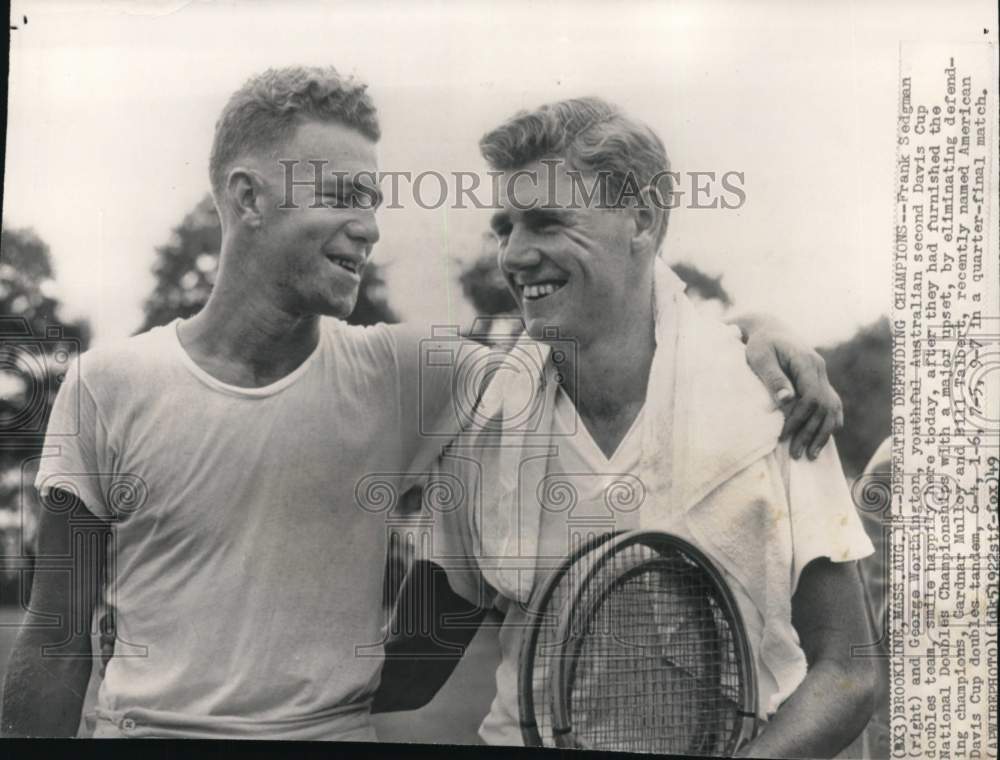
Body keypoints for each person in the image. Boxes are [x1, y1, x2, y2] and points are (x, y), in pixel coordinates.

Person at [1, 67, 844, 740]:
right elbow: (52, 637)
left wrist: (749, 333)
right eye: (340, 196)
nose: (368, 226)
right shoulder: (103, 383)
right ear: (247, 198)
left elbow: (620, 340)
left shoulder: (415, 371)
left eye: (372, 200)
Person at [402, 97, 878, 756]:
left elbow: (849, 671)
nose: (515, 254)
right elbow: (412, 661)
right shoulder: (484, 419)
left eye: (546, 222)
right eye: (506, 226)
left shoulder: (772, 399)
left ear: (643, 221)